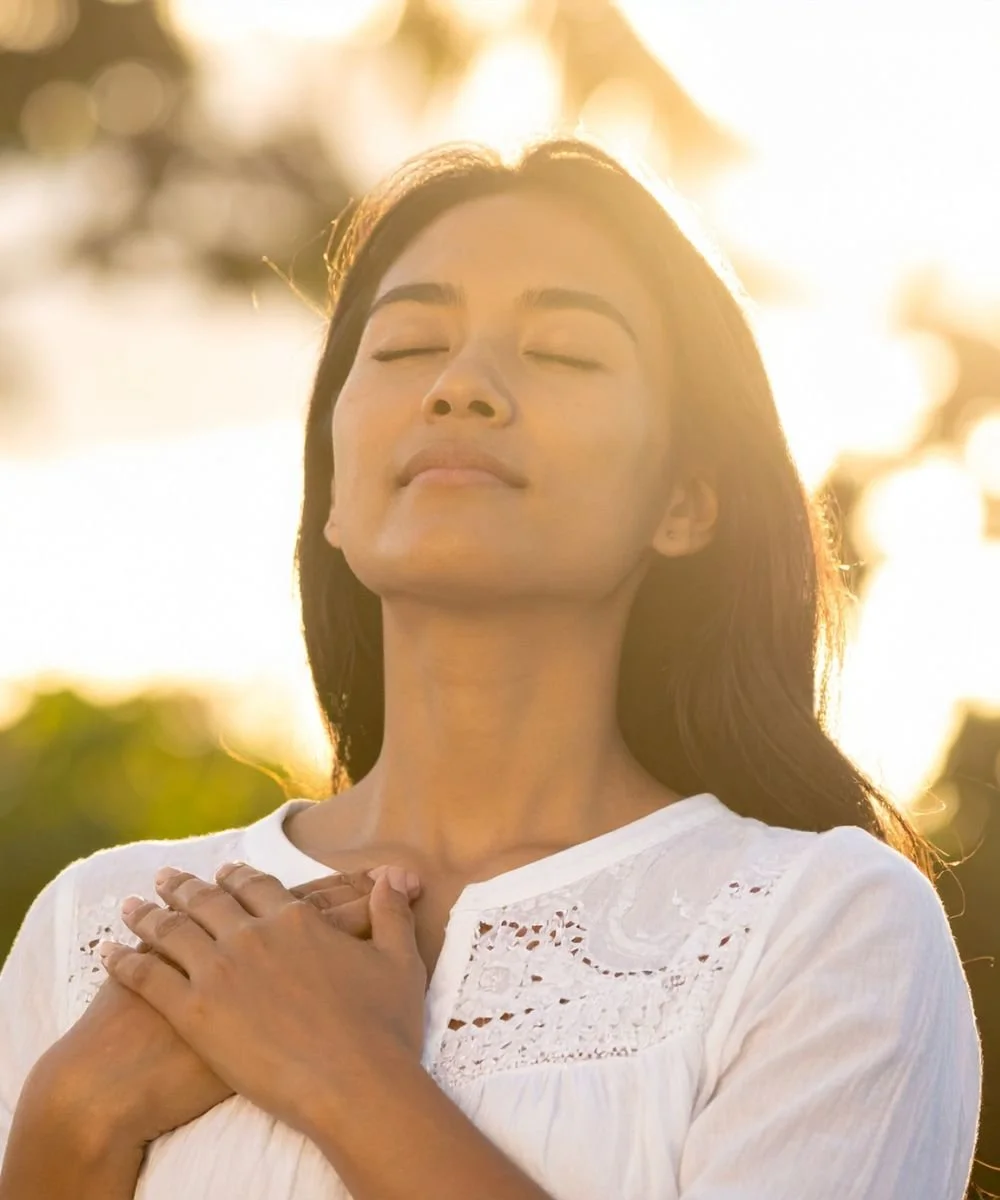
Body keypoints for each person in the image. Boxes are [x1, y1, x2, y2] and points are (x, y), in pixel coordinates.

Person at [0, 136, 982, 1200]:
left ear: (686, 501)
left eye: (562, 351)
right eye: (408, 344)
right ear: (333, 486)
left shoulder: (820, 925)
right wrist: (74, 1117)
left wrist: (340, 1072)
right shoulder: (103, 925)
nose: (462, 386)